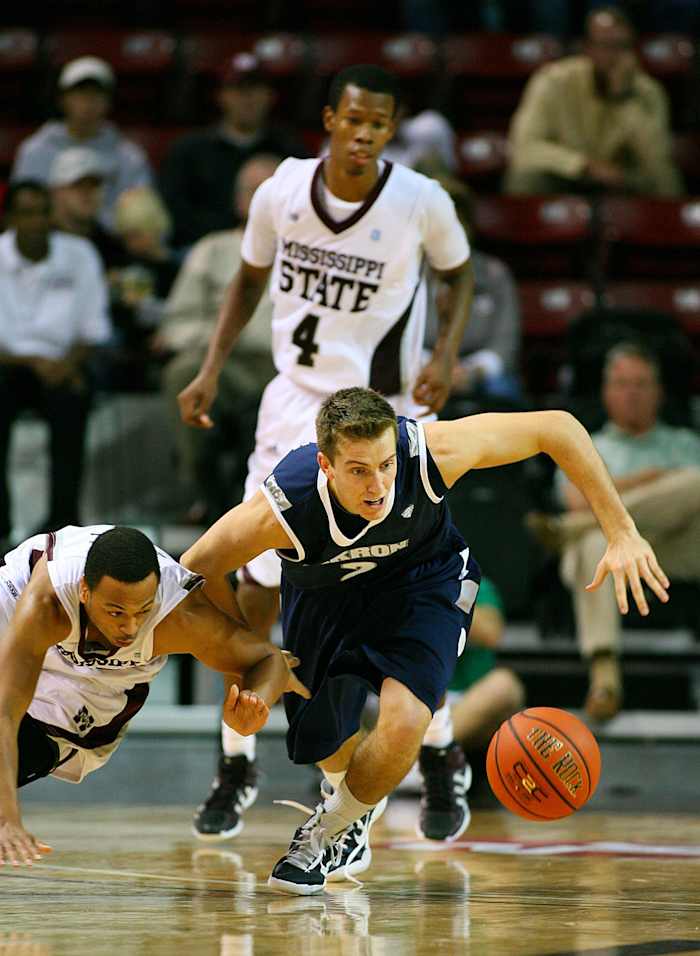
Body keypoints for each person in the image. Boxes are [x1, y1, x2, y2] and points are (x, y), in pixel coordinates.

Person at [181, 385, 668, 894]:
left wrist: (621, 531)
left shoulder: (430, 453)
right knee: (324, 744)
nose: (378, 485)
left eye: (386, 464)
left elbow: (557, 426)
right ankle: (354, 804)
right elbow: (196, 568)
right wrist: (251, 653)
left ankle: (332, 830)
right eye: (358, 470)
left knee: (407, 714)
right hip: (326, 598)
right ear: (325, 465)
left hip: (423, 583)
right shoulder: (285, 503)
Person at [177, 63, 475, 844]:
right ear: (330, 119)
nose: (366, 134)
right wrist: (210, 368)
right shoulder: (280, 191)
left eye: (381, 124)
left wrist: (445, 352)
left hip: (382, 424)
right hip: (292, 408)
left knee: (398, 601)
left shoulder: (421, 202)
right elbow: (246, 279)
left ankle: (438, 754)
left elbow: (461, 274)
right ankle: (236, 760)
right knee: (255, 599)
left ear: (390, 128)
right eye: (355, 120)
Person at [0, 524, 308, 866]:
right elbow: (5, 711)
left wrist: (257, 700)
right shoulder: (45, 605)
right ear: (85, 592)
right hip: (16, 611)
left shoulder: (180, 618)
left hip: (96, 686)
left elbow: (269, 659)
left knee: (34, 747)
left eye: (142, 610)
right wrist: (7, 818)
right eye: (116, 612)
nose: (130, 628)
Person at [532, 342, 700, 721]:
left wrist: (612, 490)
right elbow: (577, 500)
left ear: (658, 392)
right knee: (595, 542)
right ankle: (605, 678)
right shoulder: (589, 444)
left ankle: (567, 532)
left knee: (695, 482)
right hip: (610, 551)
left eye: (641, 384)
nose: (632, 393)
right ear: (607, 392)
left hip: (675, 548)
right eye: (623, 384)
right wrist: (654, 479)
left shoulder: (684, 443)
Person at [157, 154, 279, 523]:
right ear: (238, 200)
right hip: (228, 364)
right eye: (251, 191)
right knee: (183, 372)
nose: (258, 200)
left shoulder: (311, 252)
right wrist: (222, 338)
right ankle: (203, 488)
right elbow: (176, 322)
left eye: (268, 191)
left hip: (289, 367)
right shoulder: (212, 249)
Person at [0, 180, 111, 547]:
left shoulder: (79, 255)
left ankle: (62, 526)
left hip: (66, 363)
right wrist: (31, 361)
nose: (36, 222)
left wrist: (64, 365)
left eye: (43, 212)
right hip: (9, 364)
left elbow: (94, 329)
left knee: (71, 400)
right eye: (27, 213)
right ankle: (1, 523)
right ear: (11, 218)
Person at [504, 7, 684, 197]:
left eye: (623, 47)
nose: (615, 57)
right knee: (524, 176)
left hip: (621, 182)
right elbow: (524, 146)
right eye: (606, 46)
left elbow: (657, 164)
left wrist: (623, 99)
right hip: (565, 178)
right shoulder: (554, 81)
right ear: (587, 49)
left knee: (667, 181)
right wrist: (583, 166)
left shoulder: (649, 92)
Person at [159, 52, 306, 249]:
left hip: (275, 249)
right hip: (203, 249)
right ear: (221, 96)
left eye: (255, 88)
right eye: (238, 89)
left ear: (270, 96)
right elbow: (175, 212)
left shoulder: (290, 152)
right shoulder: (189, 151)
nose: (247, 98)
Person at [419, 166, 521, 405]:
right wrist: (435, 367)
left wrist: (471, 372)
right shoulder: (407, 274)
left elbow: (506, 344)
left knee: (504, 388)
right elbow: (399, 342)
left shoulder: (495, 275)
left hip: (482, 376)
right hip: (422, 371)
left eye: (456, 223)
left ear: (468, 228)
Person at [12, 57, 153, 230]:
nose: (88, 102)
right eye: (80, 93)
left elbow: (143, 218)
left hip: (111, 247)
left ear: (108, 101)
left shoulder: (129, 156)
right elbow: (23, 211)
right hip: (48, 243)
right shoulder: (35, 150)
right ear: (63, 99)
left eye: (96, 94)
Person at [49, 146, 127, 271]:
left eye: (94, 185)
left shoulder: (112, 248)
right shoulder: (37, 241)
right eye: (78, 185)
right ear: (55, 192)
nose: (88, 193)